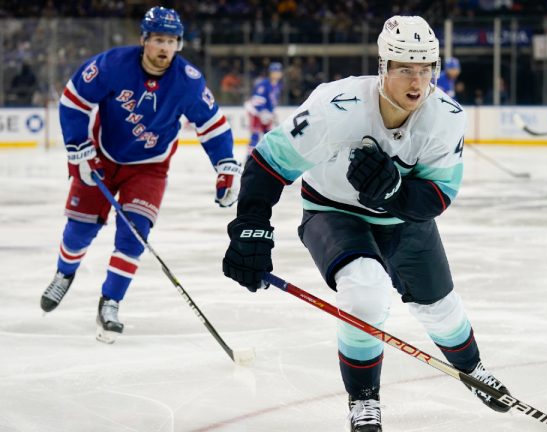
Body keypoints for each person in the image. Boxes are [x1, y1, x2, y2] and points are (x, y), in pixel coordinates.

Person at [222, 15, 511, 431]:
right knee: (365, 294)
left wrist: (394, 193)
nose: (417, 81)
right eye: (405, 69)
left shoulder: (445, 116)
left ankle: (473, 369)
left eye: (426, 68)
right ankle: (363, 399)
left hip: (404, 220)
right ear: (383, 68)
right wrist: (251, 226)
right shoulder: (335, 107)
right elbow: (269, 162)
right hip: (333, 212)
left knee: (442, 310)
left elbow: (438, 195)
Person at [41, 6, 241, 344]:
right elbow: (74, 100)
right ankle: (64, 274)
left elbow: (212, 125)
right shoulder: (112, 64)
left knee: (134, 234)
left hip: (150, 167)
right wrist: (79, 148)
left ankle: (111, 301)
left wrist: (225, 167)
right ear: (144, 40)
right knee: (79, 230)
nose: (165, 48)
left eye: (172, 41)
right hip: (101, 156)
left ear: (179, 44)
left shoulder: (188, 82)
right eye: (159, 40)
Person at [244, 61, 283, 158]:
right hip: (256, 113)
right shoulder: (263, 84)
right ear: (270, 73)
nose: (277, 73)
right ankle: (249, 156)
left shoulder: (277, 85)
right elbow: (257, 101)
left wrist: (272, 112)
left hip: (266, 114)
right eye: (275, 71)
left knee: (268, 135)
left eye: (278, 71)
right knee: (255, 135)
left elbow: (272, 101)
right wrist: (263, 112)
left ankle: (267, 157)